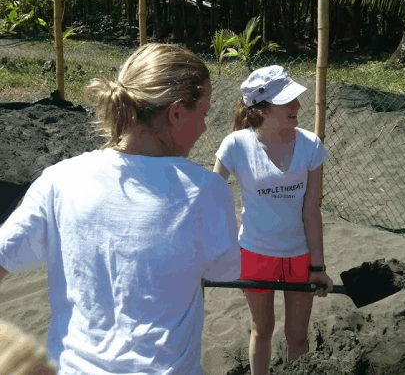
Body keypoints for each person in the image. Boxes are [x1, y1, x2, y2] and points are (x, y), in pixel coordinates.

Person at [0, 43, 241, 373]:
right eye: (204, 113)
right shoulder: (205, 190)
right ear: (176, 113)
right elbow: (223, 271)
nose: (204, 127)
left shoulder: (59, 180)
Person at [213, 65, 333, 375]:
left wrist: (317, 266)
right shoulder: (236, 145)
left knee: (297, 337)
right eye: (287, 101)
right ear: (262, 110)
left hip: (298, 256)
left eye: (295, 99)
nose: (297, 107)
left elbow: (311, 210)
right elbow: (211, 201)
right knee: (261, 330)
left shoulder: (310, 145)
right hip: (254, 254)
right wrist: (217, 255)